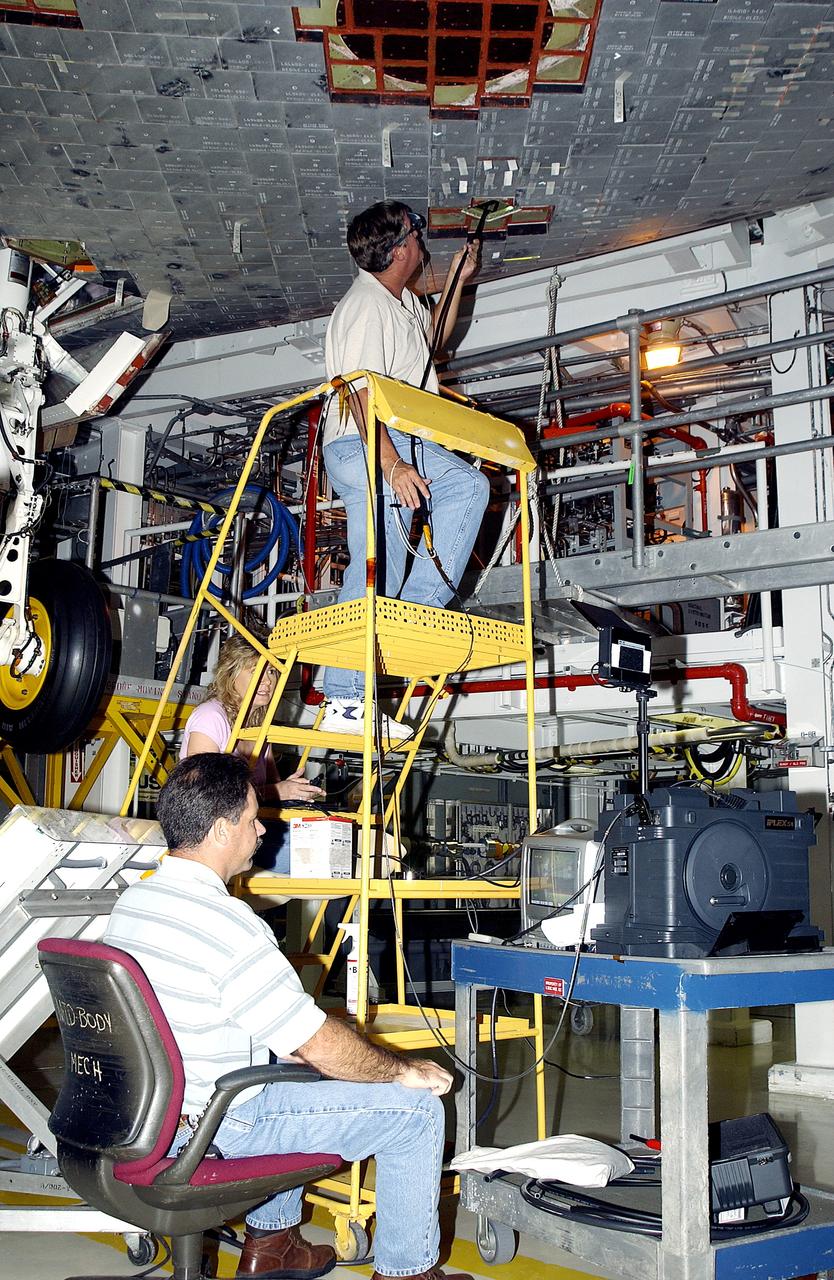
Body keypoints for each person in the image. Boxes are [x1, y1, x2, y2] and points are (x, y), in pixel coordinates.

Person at [104, 753, 472, 1280]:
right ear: (220, 829)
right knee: (414, 1112)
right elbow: (313, 1043)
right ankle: (408, 1271)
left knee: (289, 1065)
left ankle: (273, 1244)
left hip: (150, 1111)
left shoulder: (134, 902)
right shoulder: (227, 922)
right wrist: (401, 1070)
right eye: (253, 819)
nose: (260, 830)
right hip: (219, 1121)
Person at [319, 200, 491, 742]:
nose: (422, 240)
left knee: (468, 485)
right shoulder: (365, 308)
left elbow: (433, 340)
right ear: (399, 250)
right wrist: (390, 465)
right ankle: (343, 700)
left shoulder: (402, 303)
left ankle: (407, 618)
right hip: (362, 444)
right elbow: (360, 394)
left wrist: (460, 280)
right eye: (416, 234)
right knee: (379, 564)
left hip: (401, 441)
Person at [181, 632, 324, 872]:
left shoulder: (259, 723)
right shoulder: (211, 717)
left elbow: (271, 788)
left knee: (347, 844)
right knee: (331, 856)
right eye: (255, 670)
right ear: (231, 673)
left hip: (252, 828)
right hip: (215, 836)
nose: (267, 681)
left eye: (271, 671)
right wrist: (278, 791)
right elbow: (204, 794)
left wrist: (293, 790)